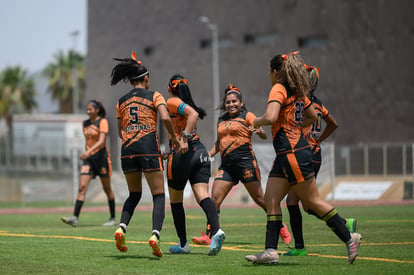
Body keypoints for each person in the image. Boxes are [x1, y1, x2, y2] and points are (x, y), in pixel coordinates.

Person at [245, 52, 361, 265]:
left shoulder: (279, 88)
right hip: (287, 154)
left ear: (274, 72)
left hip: (293, 153)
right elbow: (313, 116)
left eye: (268, 72)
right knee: (271, 200)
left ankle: (348, 236)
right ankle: (270, 251)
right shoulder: (297, 91)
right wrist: (295, 127)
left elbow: (270, 117)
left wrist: (257, 122)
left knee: (311, 202)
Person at [192, 84, 290, 245]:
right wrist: (206, 156)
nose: (231, 104)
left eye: (234, 101)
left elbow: (264, 134)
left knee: (260, 199)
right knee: (214, 199)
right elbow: (219, 142)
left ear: (241, 103)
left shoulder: (248, 116)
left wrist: (259, 131)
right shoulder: (221, 120)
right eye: (228, 102)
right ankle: (211, 235)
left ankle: (280, 225)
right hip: (227, 167)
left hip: (246, 165)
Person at [110, 52, 181, 258]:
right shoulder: (155, 95)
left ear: (131, 80)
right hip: (147, 147)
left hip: (127, 150)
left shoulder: (121, 101)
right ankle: (155, 235)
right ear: (146, 78)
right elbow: (166, 117)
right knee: (158, 194)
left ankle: (121, 227)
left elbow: (120, 131)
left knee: (134, 194)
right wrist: (174, 139)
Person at [283, 65, 356, 256]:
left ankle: (303, 246)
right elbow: (333, 124)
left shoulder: (302, 102)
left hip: (303, 154)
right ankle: (341, 223)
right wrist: (319, 140)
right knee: (305, 205)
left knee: (296, 202)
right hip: (313, 153)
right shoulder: (317, 103)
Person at [164, 74, 225, 256]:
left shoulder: (172, 101)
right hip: (201, 152)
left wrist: (183, 139)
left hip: (184, 154)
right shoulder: (183, 102)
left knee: (175, 201)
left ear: (169, 88)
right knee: (202, 196)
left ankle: (183, 244)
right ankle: (216, 231)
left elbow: (194, 115)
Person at [61, 99, 116, 227]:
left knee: (107, 189)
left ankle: (112, 218)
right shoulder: (85, 123)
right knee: (82, 188)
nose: (88, 111)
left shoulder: (103, 121)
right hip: (89, 160)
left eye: (90, 109)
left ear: (97, 110)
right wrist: (88, 153)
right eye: (87, 109)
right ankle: (75, 217)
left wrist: (88, 151)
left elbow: (102, 141)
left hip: (102, 159)